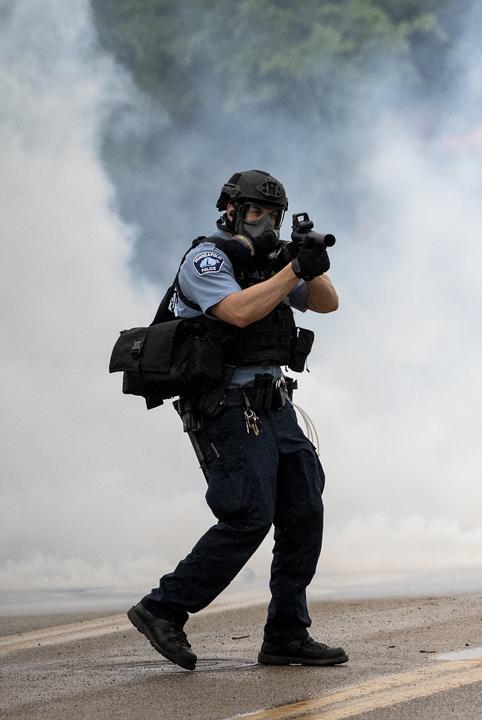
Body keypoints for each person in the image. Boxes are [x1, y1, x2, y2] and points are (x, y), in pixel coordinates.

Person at [126, 170, 347, 669]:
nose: (263, 221)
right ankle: (163, 608)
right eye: (253, 211)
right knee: (248, 513)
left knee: (304, 509)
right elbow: (238, 312)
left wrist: (309, 261)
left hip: (274, 404)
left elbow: (328, 304)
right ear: (229, 209)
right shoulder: (208, 258)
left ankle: (287, 633)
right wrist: (291, 271)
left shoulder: (271, 262)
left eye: (272, 214)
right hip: (224, 405)